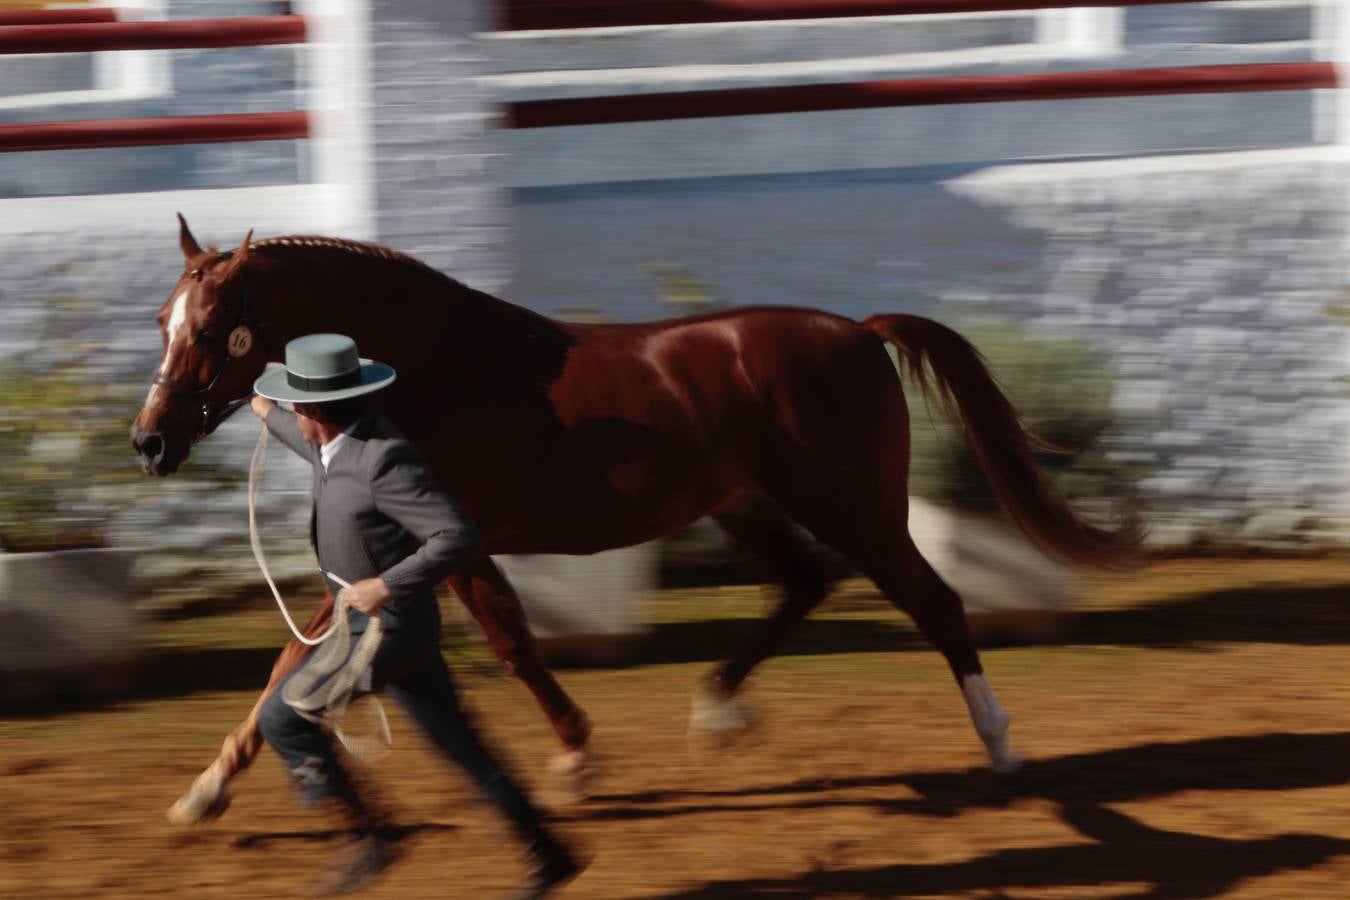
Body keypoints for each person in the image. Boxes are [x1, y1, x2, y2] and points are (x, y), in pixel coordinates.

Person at [250, 333, 584, 898]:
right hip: (389, 628)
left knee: (282, 719)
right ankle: (549, 853)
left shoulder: (383, 459)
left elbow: (458, 535)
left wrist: (386, 583)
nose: (290, 412)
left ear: (312, 408)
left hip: (388, 628)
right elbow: (274, 418)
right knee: (459, 744)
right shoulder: (325, 444)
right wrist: (249, 393)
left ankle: (367, 837)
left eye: (293, 402)